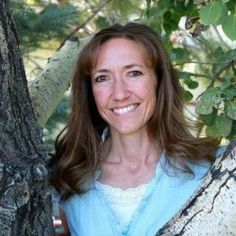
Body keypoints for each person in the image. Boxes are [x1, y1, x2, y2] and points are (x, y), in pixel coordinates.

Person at [50, 22, 222, 236]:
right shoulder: (69, 175)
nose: (119, 93)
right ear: (90, 91)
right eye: (102, 78)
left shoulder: (213, 170)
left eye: (134, 73)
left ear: (159, 80)